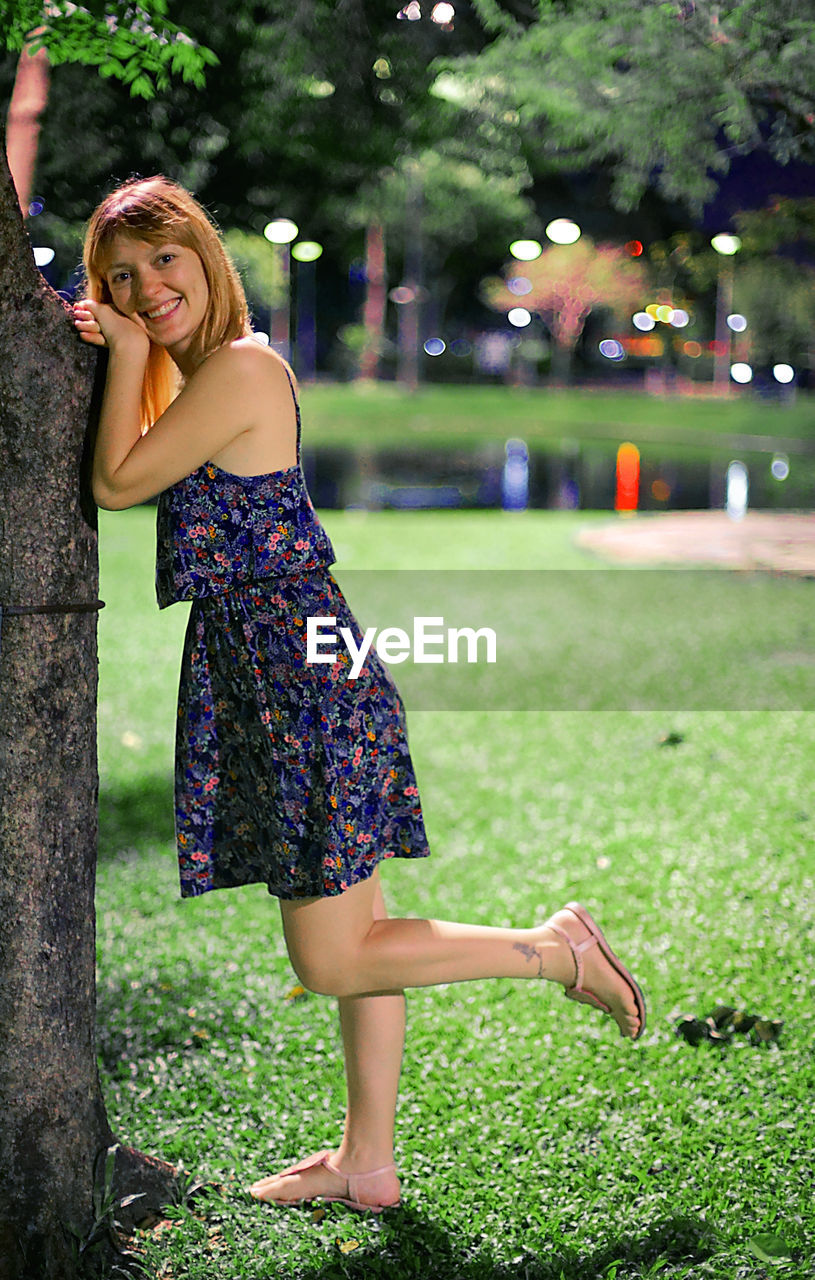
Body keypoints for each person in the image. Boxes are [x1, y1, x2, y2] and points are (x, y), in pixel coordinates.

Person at [75, 175, 646, 1216]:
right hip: (282, 672)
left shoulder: (239, 368)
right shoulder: (206, 373)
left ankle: (558, 950)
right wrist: (133, 355)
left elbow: (116, 482)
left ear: (206, 257)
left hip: (297, 678)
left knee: (334, 953)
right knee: (364, 925)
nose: (147, 287)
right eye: (121, 276)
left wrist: (120, 351)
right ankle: (366, 1163)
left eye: (163, 259)